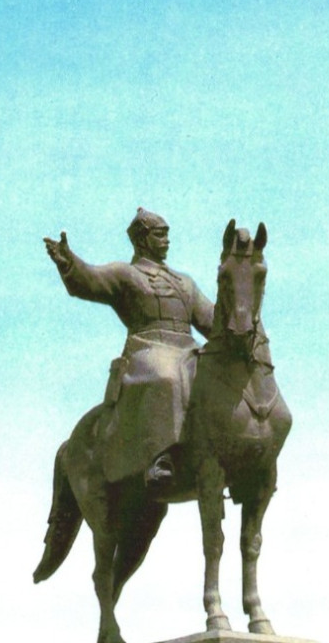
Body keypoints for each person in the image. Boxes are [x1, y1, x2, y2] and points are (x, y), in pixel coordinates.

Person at [43, 207, 215, 485]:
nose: (167, 240)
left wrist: (241, 307)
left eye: (167, 234)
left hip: (188, 351)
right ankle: (161, 457)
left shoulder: (185, 282)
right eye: (160, 235)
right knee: (166, 375)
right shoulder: (126, 274)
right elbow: (90, 279)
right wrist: (68, 263)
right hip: (147, 349)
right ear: (143, 239)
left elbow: (211, 322)